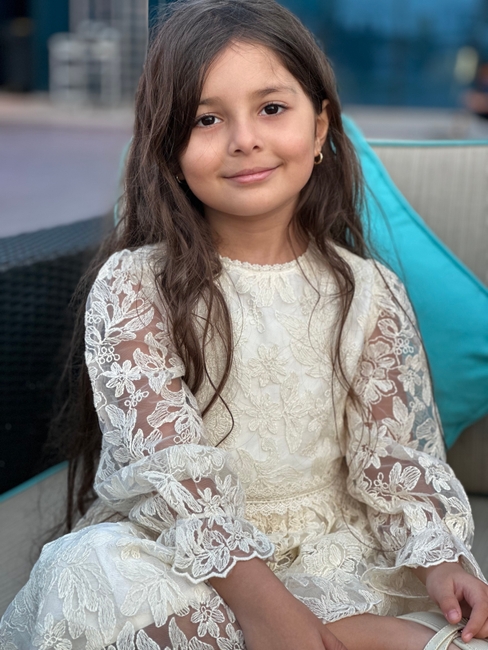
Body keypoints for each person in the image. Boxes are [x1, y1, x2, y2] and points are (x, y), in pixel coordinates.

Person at [1, 1, 488, 649]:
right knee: (89, 574)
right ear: (169, 149)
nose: (244, 139)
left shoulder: (370, 293)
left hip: (332, 549)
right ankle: (351, 637)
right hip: (191, 550)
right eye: (206, 119)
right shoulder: (136, 284)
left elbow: (393, 457)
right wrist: (268, 612)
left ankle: (344, 629)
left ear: (320, 127)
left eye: (272, 108)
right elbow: (167, 468)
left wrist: (440, 561)